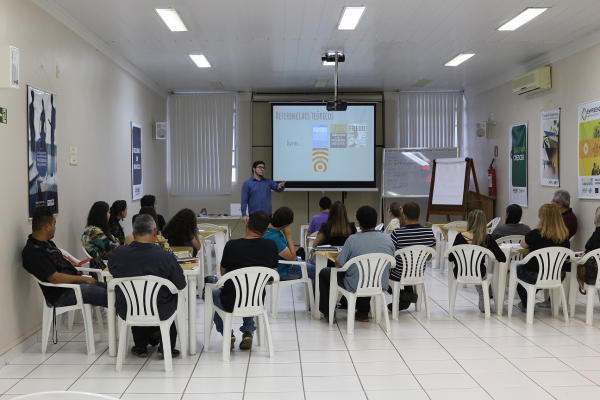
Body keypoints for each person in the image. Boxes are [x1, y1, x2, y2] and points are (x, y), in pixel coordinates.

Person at [108, 215, 186, 358]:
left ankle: (140, 346)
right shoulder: (164, 256)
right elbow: (181, 284)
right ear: (155, 233)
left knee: (135, 299)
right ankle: (165, 347)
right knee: (171, 297)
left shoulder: (117, 254)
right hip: (161, 309)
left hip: (127, 309)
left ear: (133, 234)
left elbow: (113, 272)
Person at [212, 211, 278, 350]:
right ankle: (248, 331)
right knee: (250, 290)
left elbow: (224, 274)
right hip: (257, 300)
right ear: (265, 231)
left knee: (213, 293)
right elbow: (272, 275)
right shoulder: (271, 246)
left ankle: (228, 334)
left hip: (231, 301)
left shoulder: (231, 245)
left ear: (247, 223)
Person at [318, 206, 395, 322]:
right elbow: (391, 261)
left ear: (358, 222)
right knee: (369, 273)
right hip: (379, 281)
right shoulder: (388, 239)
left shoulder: (353, 239)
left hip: (356, 283)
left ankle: (328, 313)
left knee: (325, 273)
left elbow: (338, 264)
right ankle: (363, 312)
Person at [22, 210, 107, 309]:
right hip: (62, 293)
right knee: (112, 297)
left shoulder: (47, 244)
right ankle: (127, 319)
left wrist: (84, 279)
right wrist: (84, 279)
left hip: (72, 285)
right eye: (54, 224)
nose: (55, 228)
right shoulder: (33, 251)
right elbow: (55, 278)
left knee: (113, 290)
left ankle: (127, 318)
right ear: (47, 226)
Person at [449, 209, 506, 312]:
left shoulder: (459, 236)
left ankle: (484, 295)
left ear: (469, 221)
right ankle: (484, 298)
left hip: (460, 272)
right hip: (479, 272)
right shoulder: (487, 238)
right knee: (482, 273)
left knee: (473, 269)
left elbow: (450, 257)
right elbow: (502, 258)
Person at [516, 204, 570, 312]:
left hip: (535, 274)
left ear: (542, 219)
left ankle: (526, 304)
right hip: (557, 274)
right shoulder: (564, 236)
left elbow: (522, 245)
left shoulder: (534, 234)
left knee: (518, 270)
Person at [389, 202, 436, 311]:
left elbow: (390, 253)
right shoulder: (429, 232)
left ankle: (404, 296)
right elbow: (431, 253)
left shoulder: (397, 233)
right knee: (410, 267)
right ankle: (407, 298)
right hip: (418, 272)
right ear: (419, 215)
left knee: (383, 275)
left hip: (399, 273)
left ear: (403, 216)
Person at [262, 206, 302, 281]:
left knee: (315, 267)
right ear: (285, 225)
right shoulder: (273, 237)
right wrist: (288, 236)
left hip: (287, 266)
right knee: (318, 271)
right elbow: (292, 258)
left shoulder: (270, 231)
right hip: (284, 271)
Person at [577, 206, 600, 293]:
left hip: (596, 270)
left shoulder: (598, 231)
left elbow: (596, 249)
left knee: (577, 264)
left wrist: (586, 253)